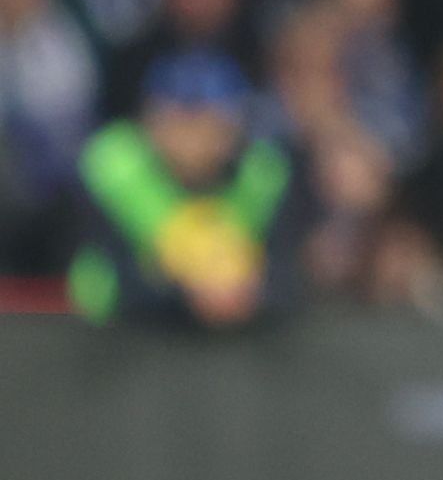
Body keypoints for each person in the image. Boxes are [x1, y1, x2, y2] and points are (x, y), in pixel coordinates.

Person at [70, 50, 297, 329]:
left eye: (210, 122)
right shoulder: (113, 165)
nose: (194, 138)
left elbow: (287, 271)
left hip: (241, 345)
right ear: (150, 121)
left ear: (235, 126)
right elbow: (105, 266)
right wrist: (186, 294)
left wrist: (252, 293)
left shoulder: (263, 173)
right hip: (121, 341)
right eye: (180, 120)